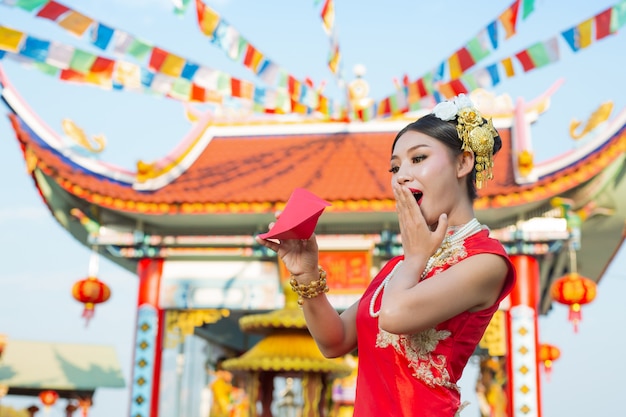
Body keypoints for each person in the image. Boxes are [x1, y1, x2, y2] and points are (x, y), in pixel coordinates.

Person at [255, 94, 516, 416]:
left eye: (418, 159)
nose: (401, 176)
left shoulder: (486, 261)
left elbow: (394, 317)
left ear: (463, 162)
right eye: (395, 167)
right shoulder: (400, 266)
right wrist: (306, 274)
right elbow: (334, 341)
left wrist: (414, 258)